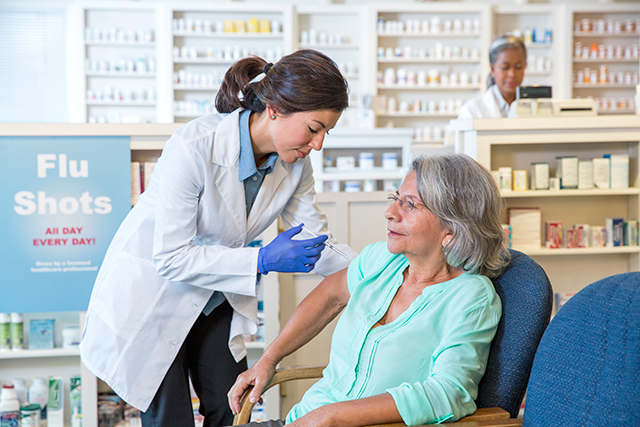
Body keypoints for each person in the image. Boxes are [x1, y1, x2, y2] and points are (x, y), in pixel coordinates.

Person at [79, 49, 357, 427]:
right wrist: (259, 261)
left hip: (215, 296)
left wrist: (380, 270)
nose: (319, 144)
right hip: (156, 293)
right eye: (313, 128)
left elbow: (315, 239)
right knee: (170, 419)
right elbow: (173, 257)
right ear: (274, 108)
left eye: (327, 132)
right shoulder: (193, 147)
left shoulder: (294, 164)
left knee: (233, 406)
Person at [228, 153, 510, 427]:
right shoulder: (381, 260)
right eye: (395, 199)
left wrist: (332, 416)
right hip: (305, 419)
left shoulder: (471, 297)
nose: (390, 213)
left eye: (410, 205)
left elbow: (449, 393)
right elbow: (330, 296)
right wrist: (268, 359)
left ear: (453, 228)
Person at [458, 36, 527, 119]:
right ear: (492, 69)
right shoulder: (472, 110)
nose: (512, 74)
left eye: (518, 67)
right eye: (505, 67)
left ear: (525, 67)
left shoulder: (538, 107)